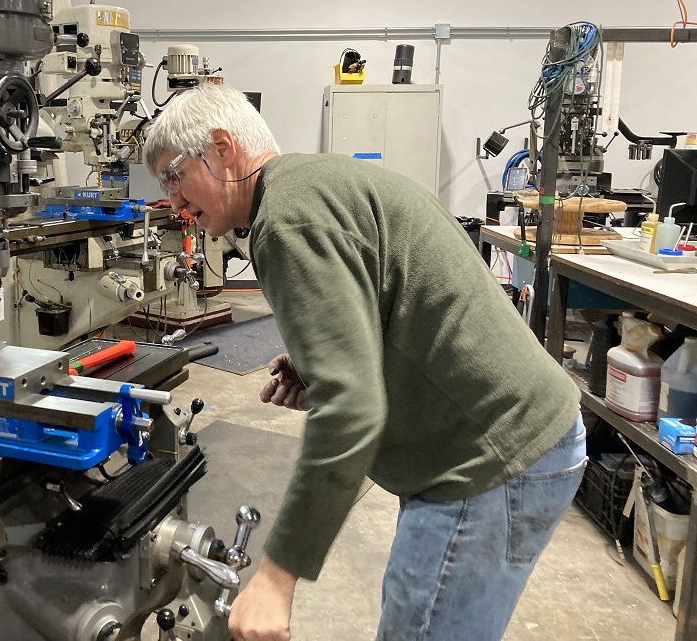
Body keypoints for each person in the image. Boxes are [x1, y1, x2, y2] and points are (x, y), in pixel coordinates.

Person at [143, 84, 585, 641]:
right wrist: (322, 362)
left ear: (223, 148)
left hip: (488, 458)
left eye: (174, 176)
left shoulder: (286, 220)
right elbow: (389, 301)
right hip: (511, 435)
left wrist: (278, 575)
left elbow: (352, 410)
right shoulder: (311, 185)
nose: (173, 203)